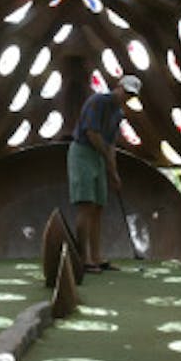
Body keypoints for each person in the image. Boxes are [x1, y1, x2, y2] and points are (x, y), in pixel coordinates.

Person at [68, 74, 140, 274]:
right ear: (118, 87)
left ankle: (97, 257)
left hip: (99, 157)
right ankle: (84, 258)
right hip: (83, 152)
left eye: (131, 95)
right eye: (126, 92)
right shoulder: (98, 101)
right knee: (86, 204)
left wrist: (114, 173)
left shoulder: (118, 114)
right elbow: (92, 133)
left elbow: (111, 145)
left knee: (99, 207)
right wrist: (106, 159)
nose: (127, 97)